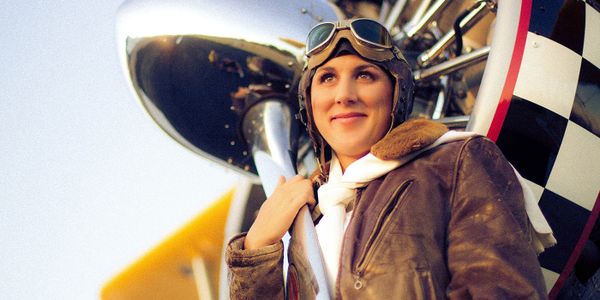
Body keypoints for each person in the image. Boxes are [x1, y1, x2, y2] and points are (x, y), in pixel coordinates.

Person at [226, 18, 553, 299]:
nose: (344, 95)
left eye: (365, 75)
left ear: (395, 92)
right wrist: (257, 250)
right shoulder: (306, 215)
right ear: (309, 103)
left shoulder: (457, 162)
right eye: (327, 78)